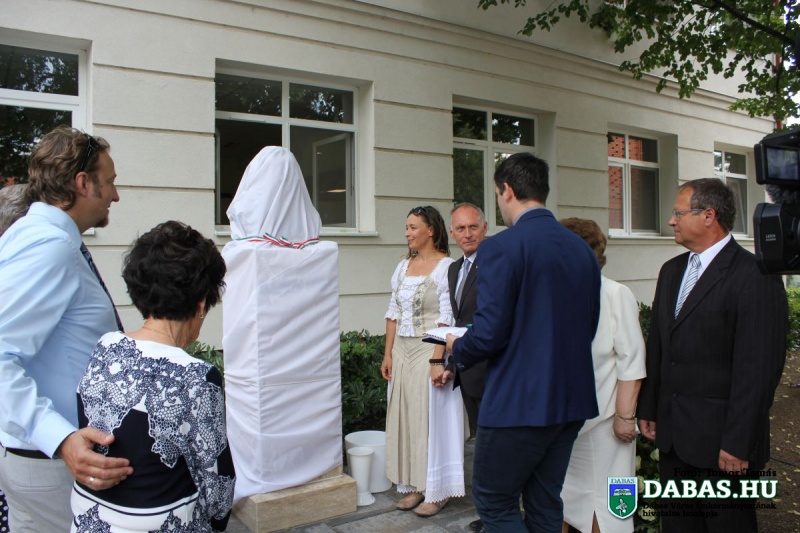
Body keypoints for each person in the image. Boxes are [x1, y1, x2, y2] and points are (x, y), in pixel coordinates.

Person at [446, 153, 601, 532]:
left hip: (519, 403)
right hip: (571, 399)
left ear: (507, 191)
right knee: (545, 500)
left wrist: (456, 348)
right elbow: (588, 324)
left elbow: (489, 332)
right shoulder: (581, 249)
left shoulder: (501, 247)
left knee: (494, 501)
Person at [637, 178, 787, 533]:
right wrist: (650, 407)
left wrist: (738, 443)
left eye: (678, 213)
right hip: (674, 441)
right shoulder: (671, 271)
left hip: (724, 448)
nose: (671, 221)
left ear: (708, 216)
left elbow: (758, 370)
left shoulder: (755, 275)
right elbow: (659, 347)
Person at [0, 126, 131, 532]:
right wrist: (59, 437)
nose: (115, 195)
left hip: (46, 461)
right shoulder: (48, 246)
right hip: (53, 465)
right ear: (82, 183)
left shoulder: (45, 236)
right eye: (110, 182)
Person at [71, 220, 236, 532]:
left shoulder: (106, 346)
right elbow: (218, 488)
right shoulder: (197, 377)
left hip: (89, 520)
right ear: (201, 303)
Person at [559, 218, 646, 533]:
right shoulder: (556, 295)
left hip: (606, 424)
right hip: (565, 424)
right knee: (564, 498)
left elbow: (631, 359)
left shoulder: (614, 293)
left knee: (609, 506)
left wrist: (625, 417)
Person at [381, 205, 465, 517]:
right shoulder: (403, 266)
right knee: (407, 419)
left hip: (429, 349)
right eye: (407, 227)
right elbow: (393, 312)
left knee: (429, 421)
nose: (407, 233)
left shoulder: (446, 267)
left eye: (413, 227)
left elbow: (447, 317)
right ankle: (415, 484)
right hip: (402, 351)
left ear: (431, 230)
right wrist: (388, 354)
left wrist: (437, 360)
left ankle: (437, 489)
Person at [447, 203, 488, 533]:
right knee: (481, 447)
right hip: (466, 369)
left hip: (492, 371)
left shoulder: (495, 264)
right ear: (452, 233)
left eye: (473, 227)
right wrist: (451, 362)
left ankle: (498, 514)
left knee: (494, 448)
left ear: (484, 228)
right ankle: (489, 512)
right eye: (460, 229)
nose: (467, 234)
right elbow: (458, 321)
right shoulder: (453, 269)